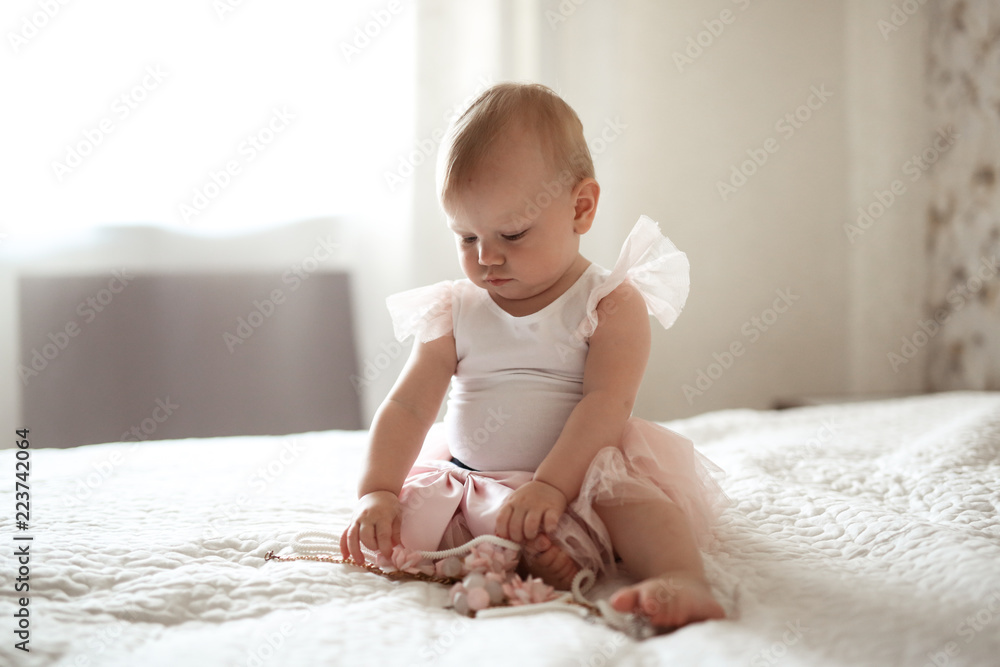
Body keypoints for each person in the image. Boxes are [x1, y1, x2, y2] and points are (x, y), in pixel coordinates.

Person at [340, 82, 726, 629]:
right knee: (412, 522)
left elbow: (606, 404)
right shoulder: (453, 308)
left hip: (581, 475)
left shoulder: (608, 302)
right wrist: (376, 491)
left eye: (512, 233)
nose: (486, 256)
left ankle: (683, 581)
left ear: (581, 208)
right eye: (465, 236)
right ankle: (538, 554)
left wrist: (551, 485)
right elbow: (407, 407)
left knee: (640, 509)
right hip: (474, 478)